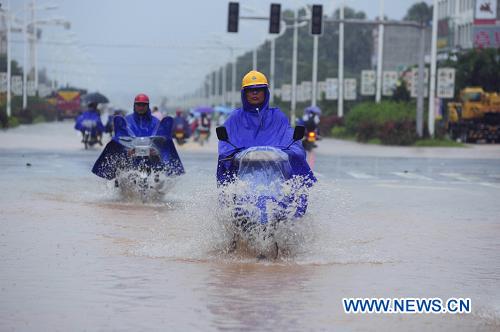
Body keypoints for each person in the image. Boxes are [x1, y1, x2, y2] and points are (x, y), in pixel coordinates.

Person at [217, 70, 315, 186]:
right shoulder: (235, 118)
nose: (254, 93)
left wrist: (292, 151)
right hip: (242, 175)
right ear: (245, 93)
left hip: (276, 175)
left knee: (295, 189)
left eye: (258, 90)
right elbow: (225, 146)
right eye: (250, 90)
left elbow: (291, 141)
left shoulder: (278, 116)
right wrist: (232, 154)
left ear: (265, 92)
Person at [92, 93, 184, 179]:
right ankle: (117, 182)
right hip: (131, 155)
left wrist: (157, 150)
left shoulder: (155, 122)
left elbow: (160, 137)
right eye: (138, 104)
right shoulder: (127, 120)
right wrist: (126, 151)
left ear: (147, 106)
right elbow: (120, 137)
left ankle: (161, 183)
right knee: (118, 159)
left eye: (143, 105)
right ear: (134, 105)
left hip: (151, 157)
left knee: (161, 169)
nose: (141, 107)